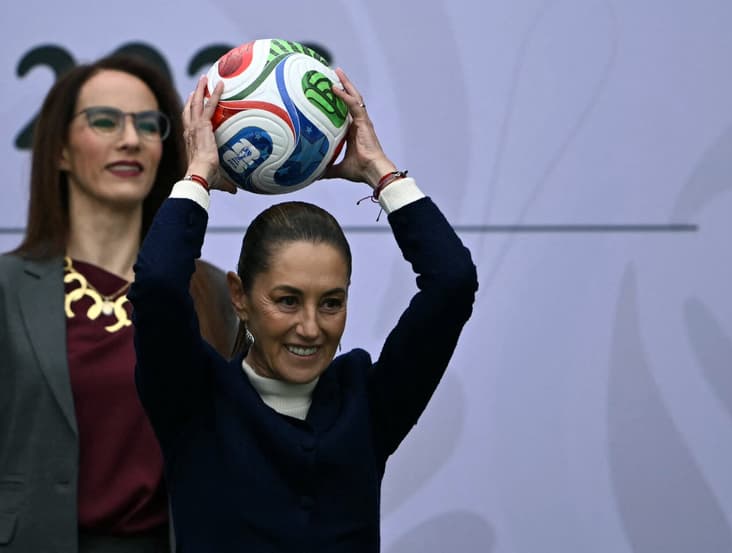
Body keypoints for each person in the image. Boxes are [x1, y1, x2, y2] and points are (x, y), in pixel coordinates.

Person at [129, 69, 478, 552]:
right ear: (239, 297)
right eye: (287, 300)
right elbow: (158, 285)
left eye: (331, 303)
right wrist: (197, 178)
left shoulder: (367, 404)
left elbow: (453, 282)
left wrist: (379, 170)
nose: (310, 328)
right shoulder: (195, 400)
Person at [0, 55, 237, 553]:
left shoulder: (213, 291)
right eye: (105, 121)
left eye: (148, 125)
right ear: (60, 150)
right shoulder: (6, 288)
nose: (131, 139)